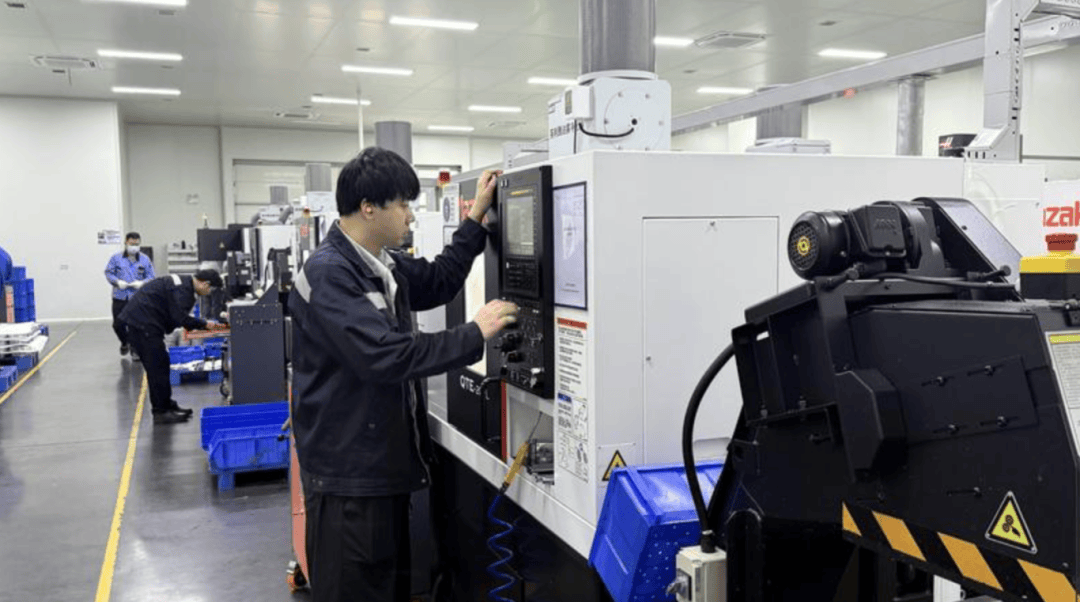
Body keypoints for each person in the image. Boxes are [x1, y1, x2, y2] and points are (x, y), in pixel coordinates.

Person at [289, 147, 518, 602]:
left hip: (380, 468)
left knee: (387, 587)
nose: (410, 216)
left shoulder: (380, 263)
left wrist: (475, 219)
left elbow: (439, 280)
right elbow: (386, 356)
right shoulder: (331, 274)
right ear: (368, 208)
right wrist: (476, 332)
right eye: (403, 205)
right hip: (348, 478)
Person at [119, 269, 223, 425]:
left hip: (145, 322)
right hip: (142, 325)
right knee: (157, 368)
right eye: (210, 290)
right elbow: (179, 318)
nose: (208, 293)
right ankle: (161, 412)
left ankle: (166, 404)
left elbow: (174, 317)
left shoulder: (184, 284)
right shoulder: (184, 291)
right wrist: (204, 324)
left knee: (162, 363)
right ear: (205, 284)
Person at [104, 232, 155, 357]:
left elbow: (151, 276)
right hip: (120, 296)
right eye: (132, 244)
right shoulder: (116, 258)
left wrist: (142, 283)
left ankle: (135, 349)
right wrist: (117, 282)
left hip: (137, 298)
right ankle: (124, 342)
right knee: (118, 324)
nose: (134, 247)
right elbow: (108, 272)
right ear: (126, 243)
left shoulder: (145, 259)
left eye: (137, 244)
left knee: (136, 325)